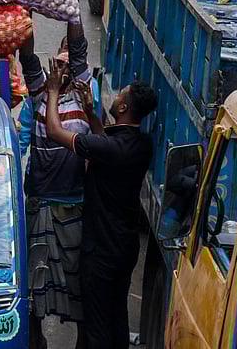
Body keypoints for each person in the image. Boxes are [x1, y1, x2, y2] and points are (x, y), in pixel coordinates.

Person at [43, 77, 157, 349]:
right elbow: (105, 143)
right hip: (125, 248)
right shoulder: (143, 145)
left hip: (101, 251)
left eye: (120, 96)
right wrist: (92, 113)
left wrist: (53, 92)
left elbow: (54, 132)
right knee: (118, 315)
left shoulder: (109, 148)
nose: (116, 97)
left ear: (123, 107)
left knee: (96, 325)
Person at [18, 4, 98, 349]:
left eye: (69, 62)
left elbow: (80, 49)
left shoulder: (82, 92)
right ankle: (36, 340)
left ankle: (81, 341)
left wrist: (71, 7)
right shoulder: (39, 94)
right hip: (40, 201)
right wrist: (23, 12)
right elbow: (27, 58)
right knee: (35, 278)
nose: (64, 65)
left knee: (76, 277)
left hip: (74, 205)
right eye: (60, 60)